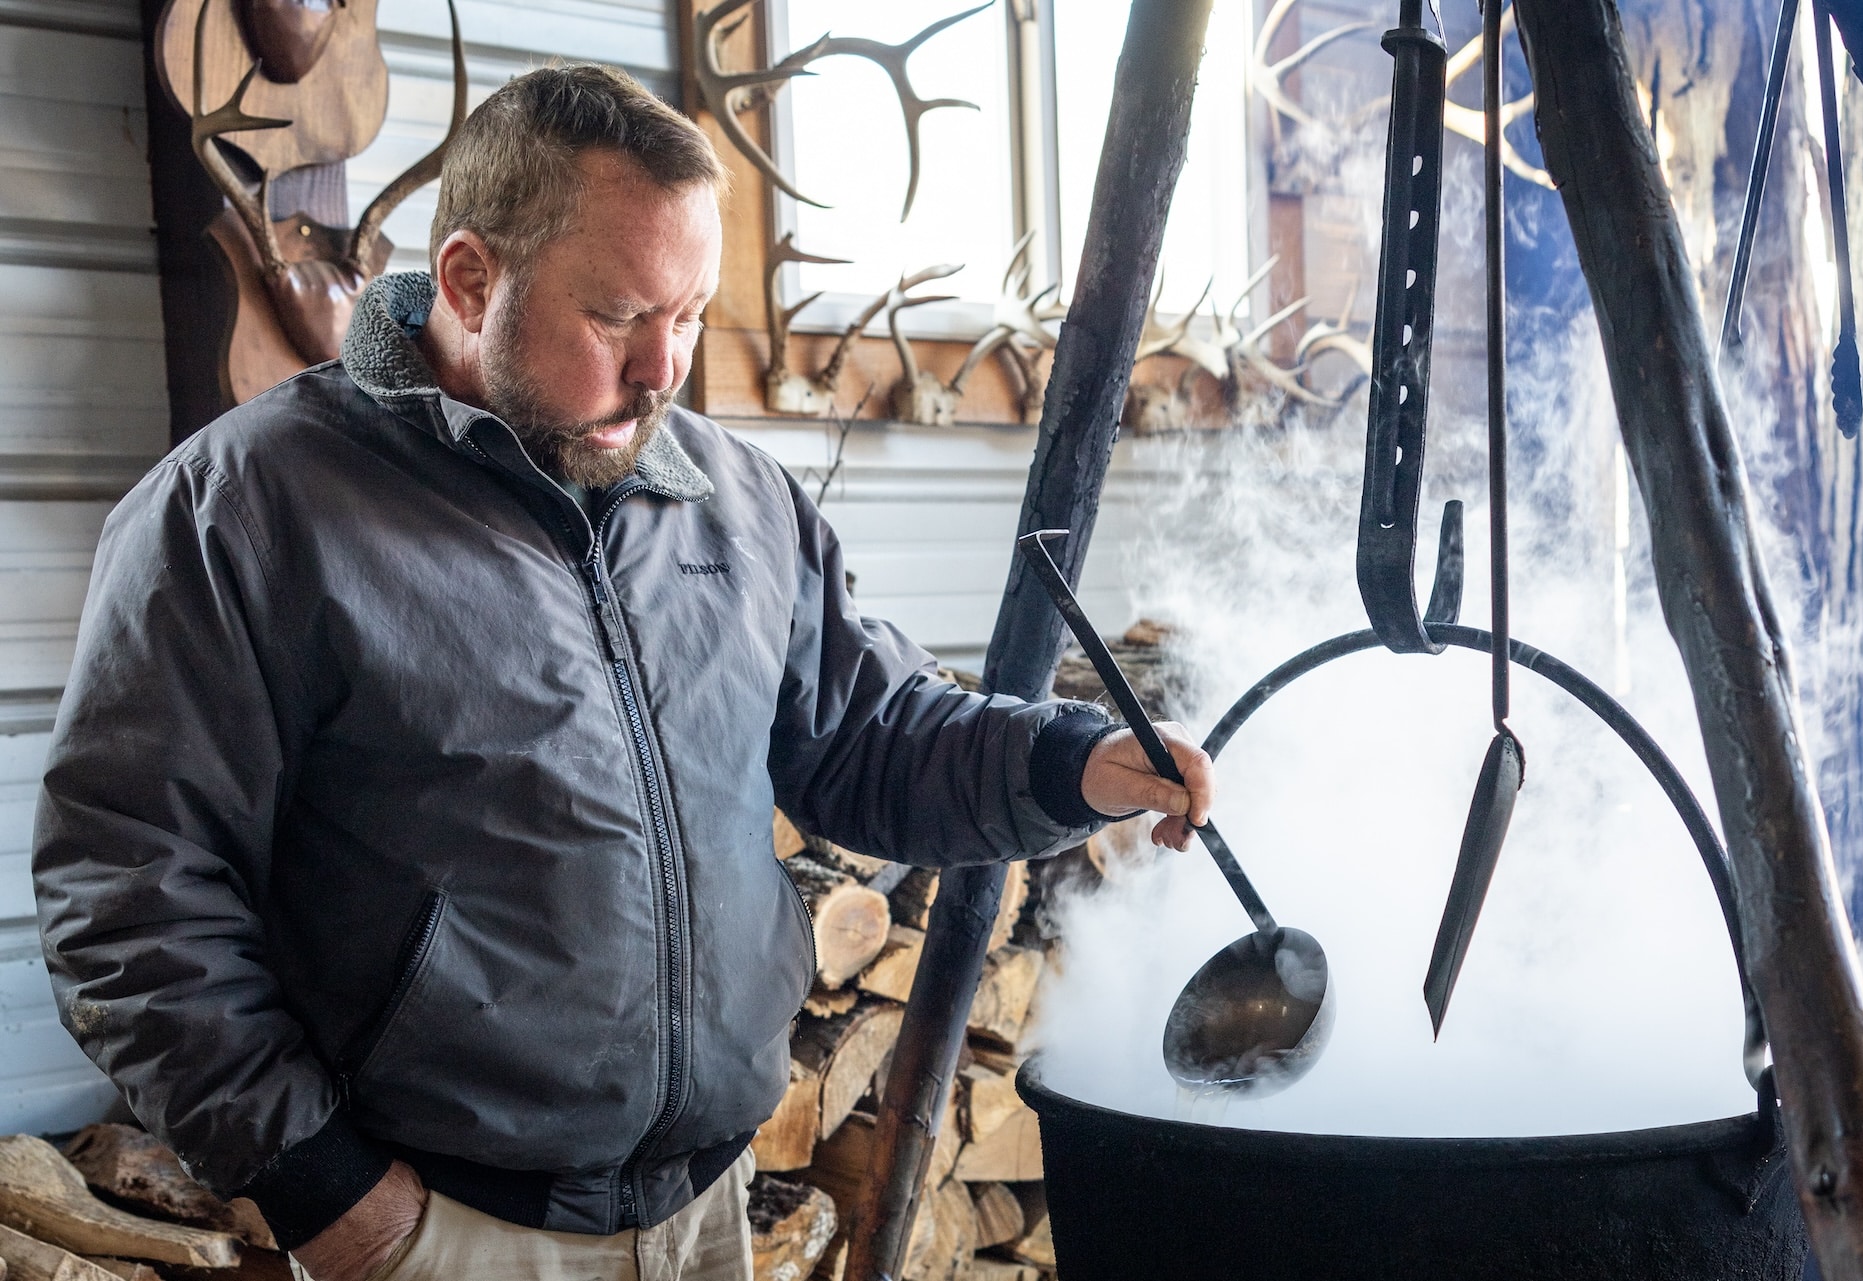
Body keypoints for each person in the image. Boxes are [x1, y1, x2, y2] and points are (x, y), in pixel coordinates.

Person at [32, 64, 1213, 1281]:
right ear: (470, 280)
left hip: (706, 1209)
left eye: (691, 315)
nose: (665, 373)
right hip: (444, 1232)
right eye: (616, 317)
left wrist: (1081, 762)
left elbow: (871, 737)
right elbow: (125, 889)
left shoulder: (740, 500)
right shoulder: (246, 511)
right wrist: (327, 1193)